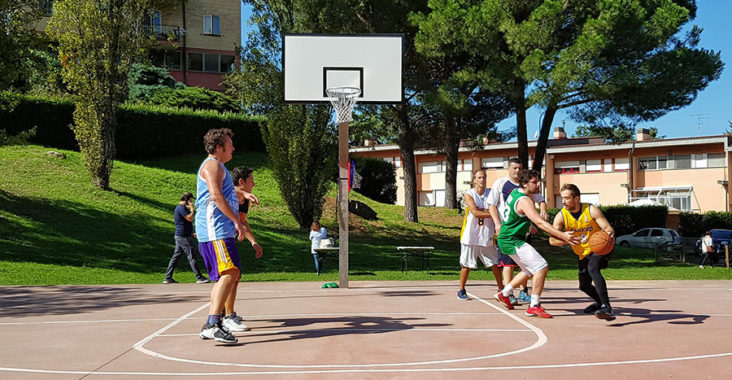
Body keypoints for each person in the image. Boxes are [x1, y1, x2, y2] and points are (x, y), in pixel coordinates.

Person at [492, 169, 579, 318]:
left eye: (538, 181)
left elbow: (518, 216)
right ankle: (534, 305)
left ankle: (505, 293)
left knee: (530, 270)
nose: (538, 184)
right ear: (525, 184)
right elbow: (540, 222)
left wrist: (526, 223)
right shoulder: (525, 200)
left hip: (509, 238)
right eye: (534, 182)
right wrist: (563, 235)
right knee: (541, 267)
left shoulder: (515, 192)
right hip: (512, 239)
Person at [195, 128, 251, 344]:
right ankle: (212, 323)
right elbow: (216, 196)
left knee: (230, 274)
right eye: (230, 144)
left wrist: (243, 193)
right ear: (219, 147)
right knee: (228, 273)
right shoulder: (211, 165)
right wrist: (237, 221)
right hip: (214, 230)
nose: (233, 148)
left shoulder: (219, 167)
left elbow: (225, 192)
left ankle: (217, 322)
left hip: (221, 230)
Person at [549, 184, 616, 321]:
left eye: (567, 198)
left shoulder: (591, 210)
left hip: (598, 248)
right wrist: (566, 240)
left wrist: (605, 238)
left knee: (593, 269)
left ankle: (606, 307)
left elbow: (609, 229)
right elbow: (552, 241)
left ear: (577, 198)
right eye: (562, 198)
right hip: (582, 253)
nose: (563, 201)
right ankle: (599, 302)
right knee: (583, 285)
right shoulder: (561, 216)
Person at [488, 158, 548, 305]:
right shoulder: (502, 184)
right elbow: (491, 205)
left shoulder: (529, 187)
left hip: (521, 231)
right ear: (508, 169)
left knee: (528, 265)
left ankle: (515, 292)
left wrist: (540, 214)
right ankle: (510, 294)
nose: (517, 170)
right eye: (514, 168)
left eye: (519, 168)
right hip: (508, 231)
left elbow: (541, 201)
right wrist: (497, 224)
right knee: (510, 264)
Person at [224, 166, 264, 332]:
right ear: (241, 182)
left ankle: (226, 313)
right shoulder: (230, 192)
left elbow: (243, 221)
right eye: (251, 180)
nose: (254, 184)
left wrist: (253, 242)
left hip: (229, 238)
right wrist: (243, 193)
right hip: (219, 237)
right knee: (231, 275)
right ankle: (226, 316)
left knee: (234, 276)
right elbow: (223, 189)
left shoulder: (245, 201)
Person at [457, 169, 504, 300]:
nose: (482, 180)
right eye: (479, 177)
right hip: (470, 236)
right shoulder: (469, 194)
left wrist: (495, 214)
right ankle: (461, 290)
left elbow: (498, 209)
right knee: (466, 265)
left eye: (484, 177)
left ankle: (501, 289)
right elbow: (476, 213)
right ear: (474, 180)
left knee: (495, 263)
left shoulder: (491, 194)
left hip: (486, 235)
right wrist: (494, 214)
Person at [163, 192, 209, 284]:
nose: (191, 202)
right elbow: (190, 219)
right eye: (191, 200)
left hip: (180, 235)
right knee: (192, 256)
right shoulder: (181, 208)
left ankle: (167, 277)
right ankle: (199, 277)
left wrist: (192, 232)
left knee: (176, 257)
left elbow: (185, 223)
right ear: (187, 200)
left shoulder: (180, 208)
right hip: (183, 237)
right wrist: (192, 209)